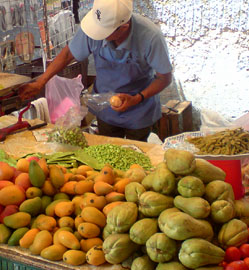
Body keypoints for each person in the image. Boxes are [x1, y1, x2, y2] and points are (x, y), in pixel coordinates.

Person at [19, 0, 173, 142]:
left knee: (138, 157)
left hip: (139, 109)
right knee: (108, 152)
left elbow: (164, 78)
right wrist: (40, 82)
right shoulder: (96, 25)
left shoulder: (151, 37)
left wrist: (137, 98)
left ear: (123, 27)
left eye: (104, 33)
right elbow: (67, 54)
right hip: (105, 108)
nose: (98, 36)